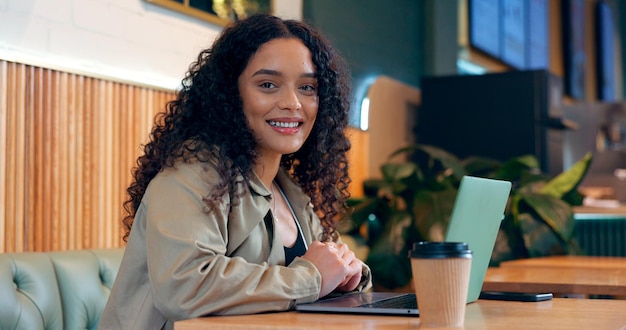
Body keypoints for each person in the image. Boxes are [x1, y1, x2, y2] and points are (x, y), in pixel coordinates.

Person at [99, 14, 371, 329]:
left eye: (307, 87)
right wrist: (312, 278)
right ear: (230, 94)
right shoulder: (191, 177)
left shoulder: (291, 194)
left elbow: (299, 287)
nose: (292, 103)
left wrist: (344, 276)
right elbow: (184, 287)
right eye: (268, 85)